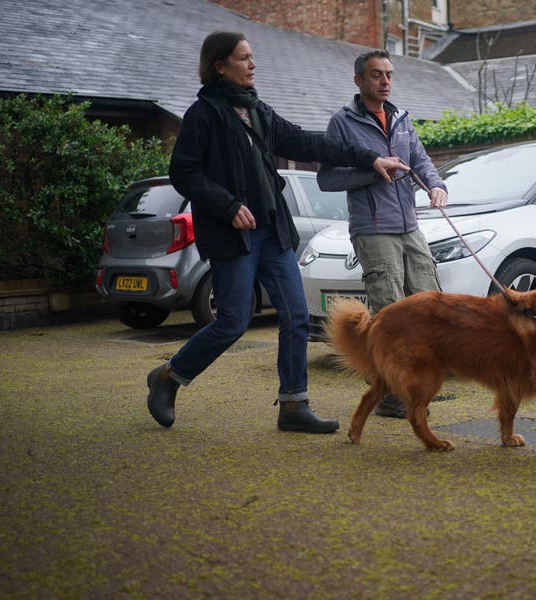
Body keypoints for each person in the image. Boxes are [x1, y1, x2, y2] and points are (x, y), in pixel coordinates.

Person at [146, 31, 408, 433]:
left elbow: (308, 142)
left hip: (273, 230)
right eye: (244, 58)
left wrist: (372, 158)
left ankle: (293, 405)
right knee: (232, 322)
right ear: (220, 65)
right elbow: (184, 173)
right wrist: (228, 205)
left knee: (296, 315)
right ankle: (168, 377)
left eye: (252, 57)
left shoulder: (257, 110)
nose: (253, 64)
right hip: (236, 236)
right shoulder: (205, 114)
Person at [317, 49, 448, 419]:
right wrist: (375, 171)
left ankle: (417, 384)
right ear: (359, 80)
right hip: (373, 230)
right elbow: (327, 178)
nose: (386, 81)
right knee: (392, 315)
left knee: (429, 305)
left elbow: (421, 161)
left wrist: (437, 186)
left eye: (389, 74)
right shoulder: (342, 123)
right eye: (377, 75)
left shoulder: (402, 118)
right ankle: (390, 394)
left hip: (410, 225)